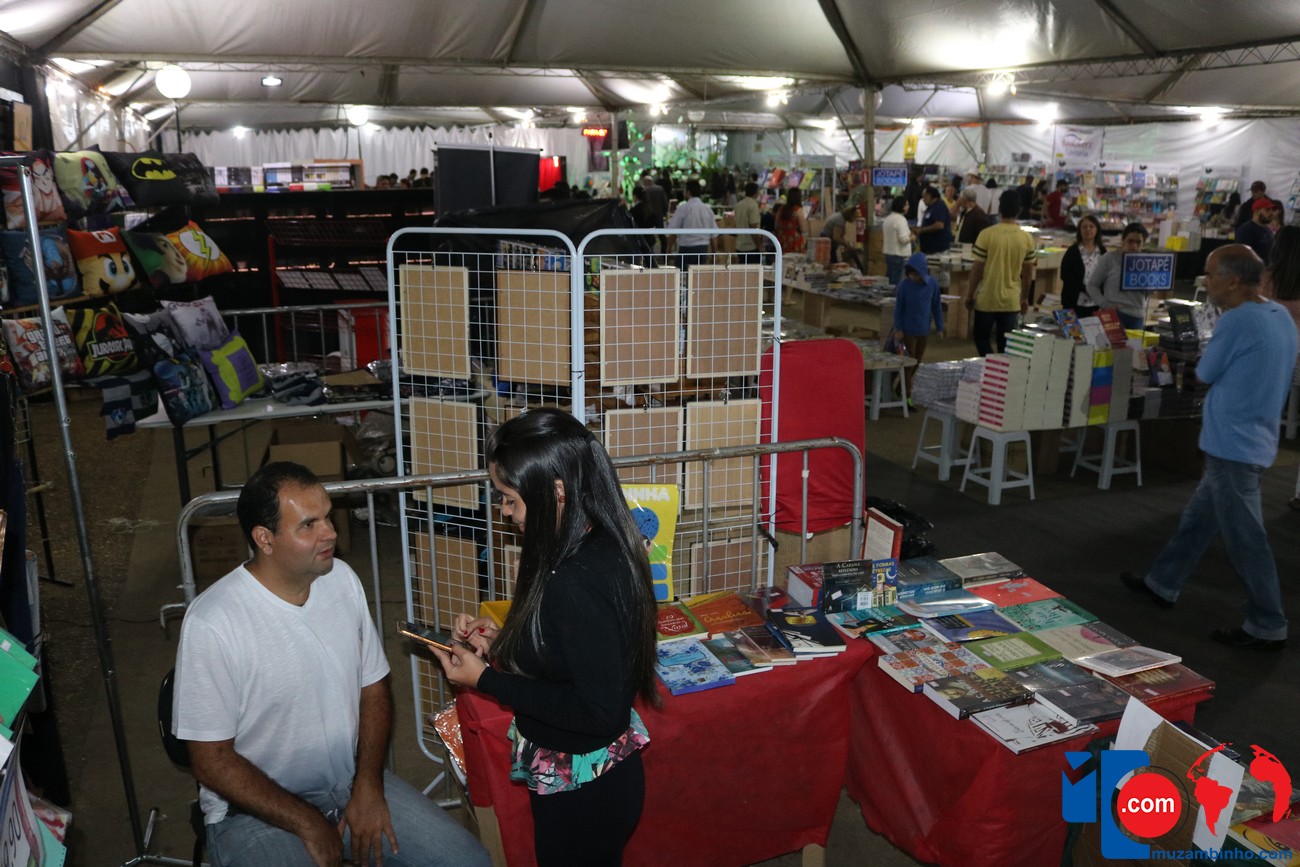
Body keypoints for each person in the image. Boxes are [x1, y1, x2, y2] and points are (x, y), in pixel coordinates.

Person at [172, 462, 490, 867]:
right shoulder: (213, 621)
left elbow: (373, 688)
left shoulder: (341, 579)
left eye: (327, 516)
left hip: (348, 785)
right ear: (264, 539)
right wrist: (307, 822)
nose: (330, 533)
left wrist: (368, 786)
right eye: (309, 525)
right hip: (251, 811)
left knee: (469, 861)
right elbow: (211, 761)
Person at [432, 409, 660, 866]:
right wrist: (505, 641)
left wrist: (485, 680)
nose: (504, 511)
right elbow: (574, 650)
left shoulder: (575, 578)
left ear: (556, 492)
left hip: (585, 795)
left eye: (510, 499)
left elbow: (596, 712)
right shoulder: (594, 542)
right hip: (589, 783)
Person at [1120, 245, 1298, 651]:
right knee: (1199, 520)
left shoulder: (1237, 320)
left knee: (1245, 539)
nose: (1205, 282)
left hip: (1234, 444)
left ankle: (1268, 622)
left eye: (1211, 274)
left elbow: (1205, 371)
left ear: (1233, 281)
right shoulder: (1278, 315)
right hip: (1255, 437)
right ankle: (1163, 582)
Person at [967, 189, 1036, 356]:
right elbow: (1028, 272)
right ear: (1019, 210)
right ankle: (1000, 368)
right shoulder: (1026, 238)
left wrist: (970, 293)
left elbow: (977, 268)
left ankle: (989, 362)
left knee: (981, 338)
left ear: (999, 208)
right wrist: (1024, 297)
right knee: (1006, 345)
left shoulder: (987, 235)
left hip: (987, 298)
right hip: (1012, 300)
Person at [893, 251, 944, 394]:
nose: (912, 277)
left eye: (915, 274)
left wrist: (940, 327)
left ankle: (900, 389)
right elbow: (898, 308)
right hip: (907, 331)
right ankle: (907, 394)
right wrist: (898, 328)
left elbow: (936, 307)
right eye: (910, 274)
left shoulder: (932, 285)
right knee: (909, 362)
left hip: (923, 330)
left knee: (917, 361)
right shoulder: (904, 285)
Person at [1087, 221, 1151, 331]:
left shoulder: (1148, 262)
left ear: (1143, 243)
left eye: (1138, 242)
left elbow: (1150, 290)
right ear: (1123, 240)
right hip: (1114, 313)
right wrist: (1105, 304)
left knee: (1134, 342)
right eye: (1130, 241)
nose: (1134, 246)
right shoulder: (1110, 258)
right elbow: (1092, 285)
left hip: (1137, 315)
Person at [1059, 214, 1106, 317]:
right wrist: (1085, 288)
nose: (1088, 229)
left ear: (1097, 229)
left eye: (1091, 226)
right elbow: (1065, 275)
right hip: (1074, 302)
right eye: (1084, 227)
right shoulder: (1072, 251)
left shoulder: (1102, 251)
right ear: (1079, 230)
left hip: (1096, 303)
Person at [667, 178, 717, 263]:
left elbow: (673, 231)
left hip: (686, 248)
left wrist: (669, 249)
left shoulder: (683, 209)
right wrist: (714, 254)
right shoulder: (707, 209)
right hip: (703, 248)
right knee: (699, 271)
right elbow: (714, 235)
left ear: (688, 192)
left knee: (682, 270)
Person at [910, 186, 952, 256]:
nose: (923, 199)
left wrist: (922, 230)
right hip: (929, 249)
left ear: (930, 195)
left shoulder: (939, 206)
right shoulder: (930, 207)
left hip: (938, 249)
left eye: (924, 196)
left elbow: (939, 225)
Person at [882, 195, 912, 287]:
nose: (908, 207)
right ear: (901, 206)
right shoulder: (901, 219)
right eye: (906, 205)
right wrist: (912, 237)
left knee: (890, 281)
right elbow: (903, 239)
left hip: (889, 254)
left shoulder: (888, 218)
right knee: (897, 283)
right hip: (899, 255)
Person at [820, 205, 863, 269]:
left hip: (827, 242)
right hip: (828, 244)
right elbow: (836, 237)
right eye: (854, 217)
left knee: (833, 265)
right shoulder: (840, 220)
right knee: (833, 266)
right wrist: (847, 245)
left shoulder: (839, 216)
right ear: (850, 214)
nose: (854, 219)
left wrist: (845, 243)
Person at [733, 181, 763, 262]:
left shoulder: (739, 204)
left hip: (739, 245)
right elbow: (753, 227)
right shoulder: (753, 205)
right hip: (751, 246)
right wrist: (760, 246)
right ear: (756, 193)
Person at [774, 187, 810, 255]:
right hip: (794, 239)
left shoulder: (781, 208)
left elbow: (776, 226)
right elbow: (803, 229)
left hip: (782, 238)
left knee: (782, 258)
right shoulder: (798, 210)